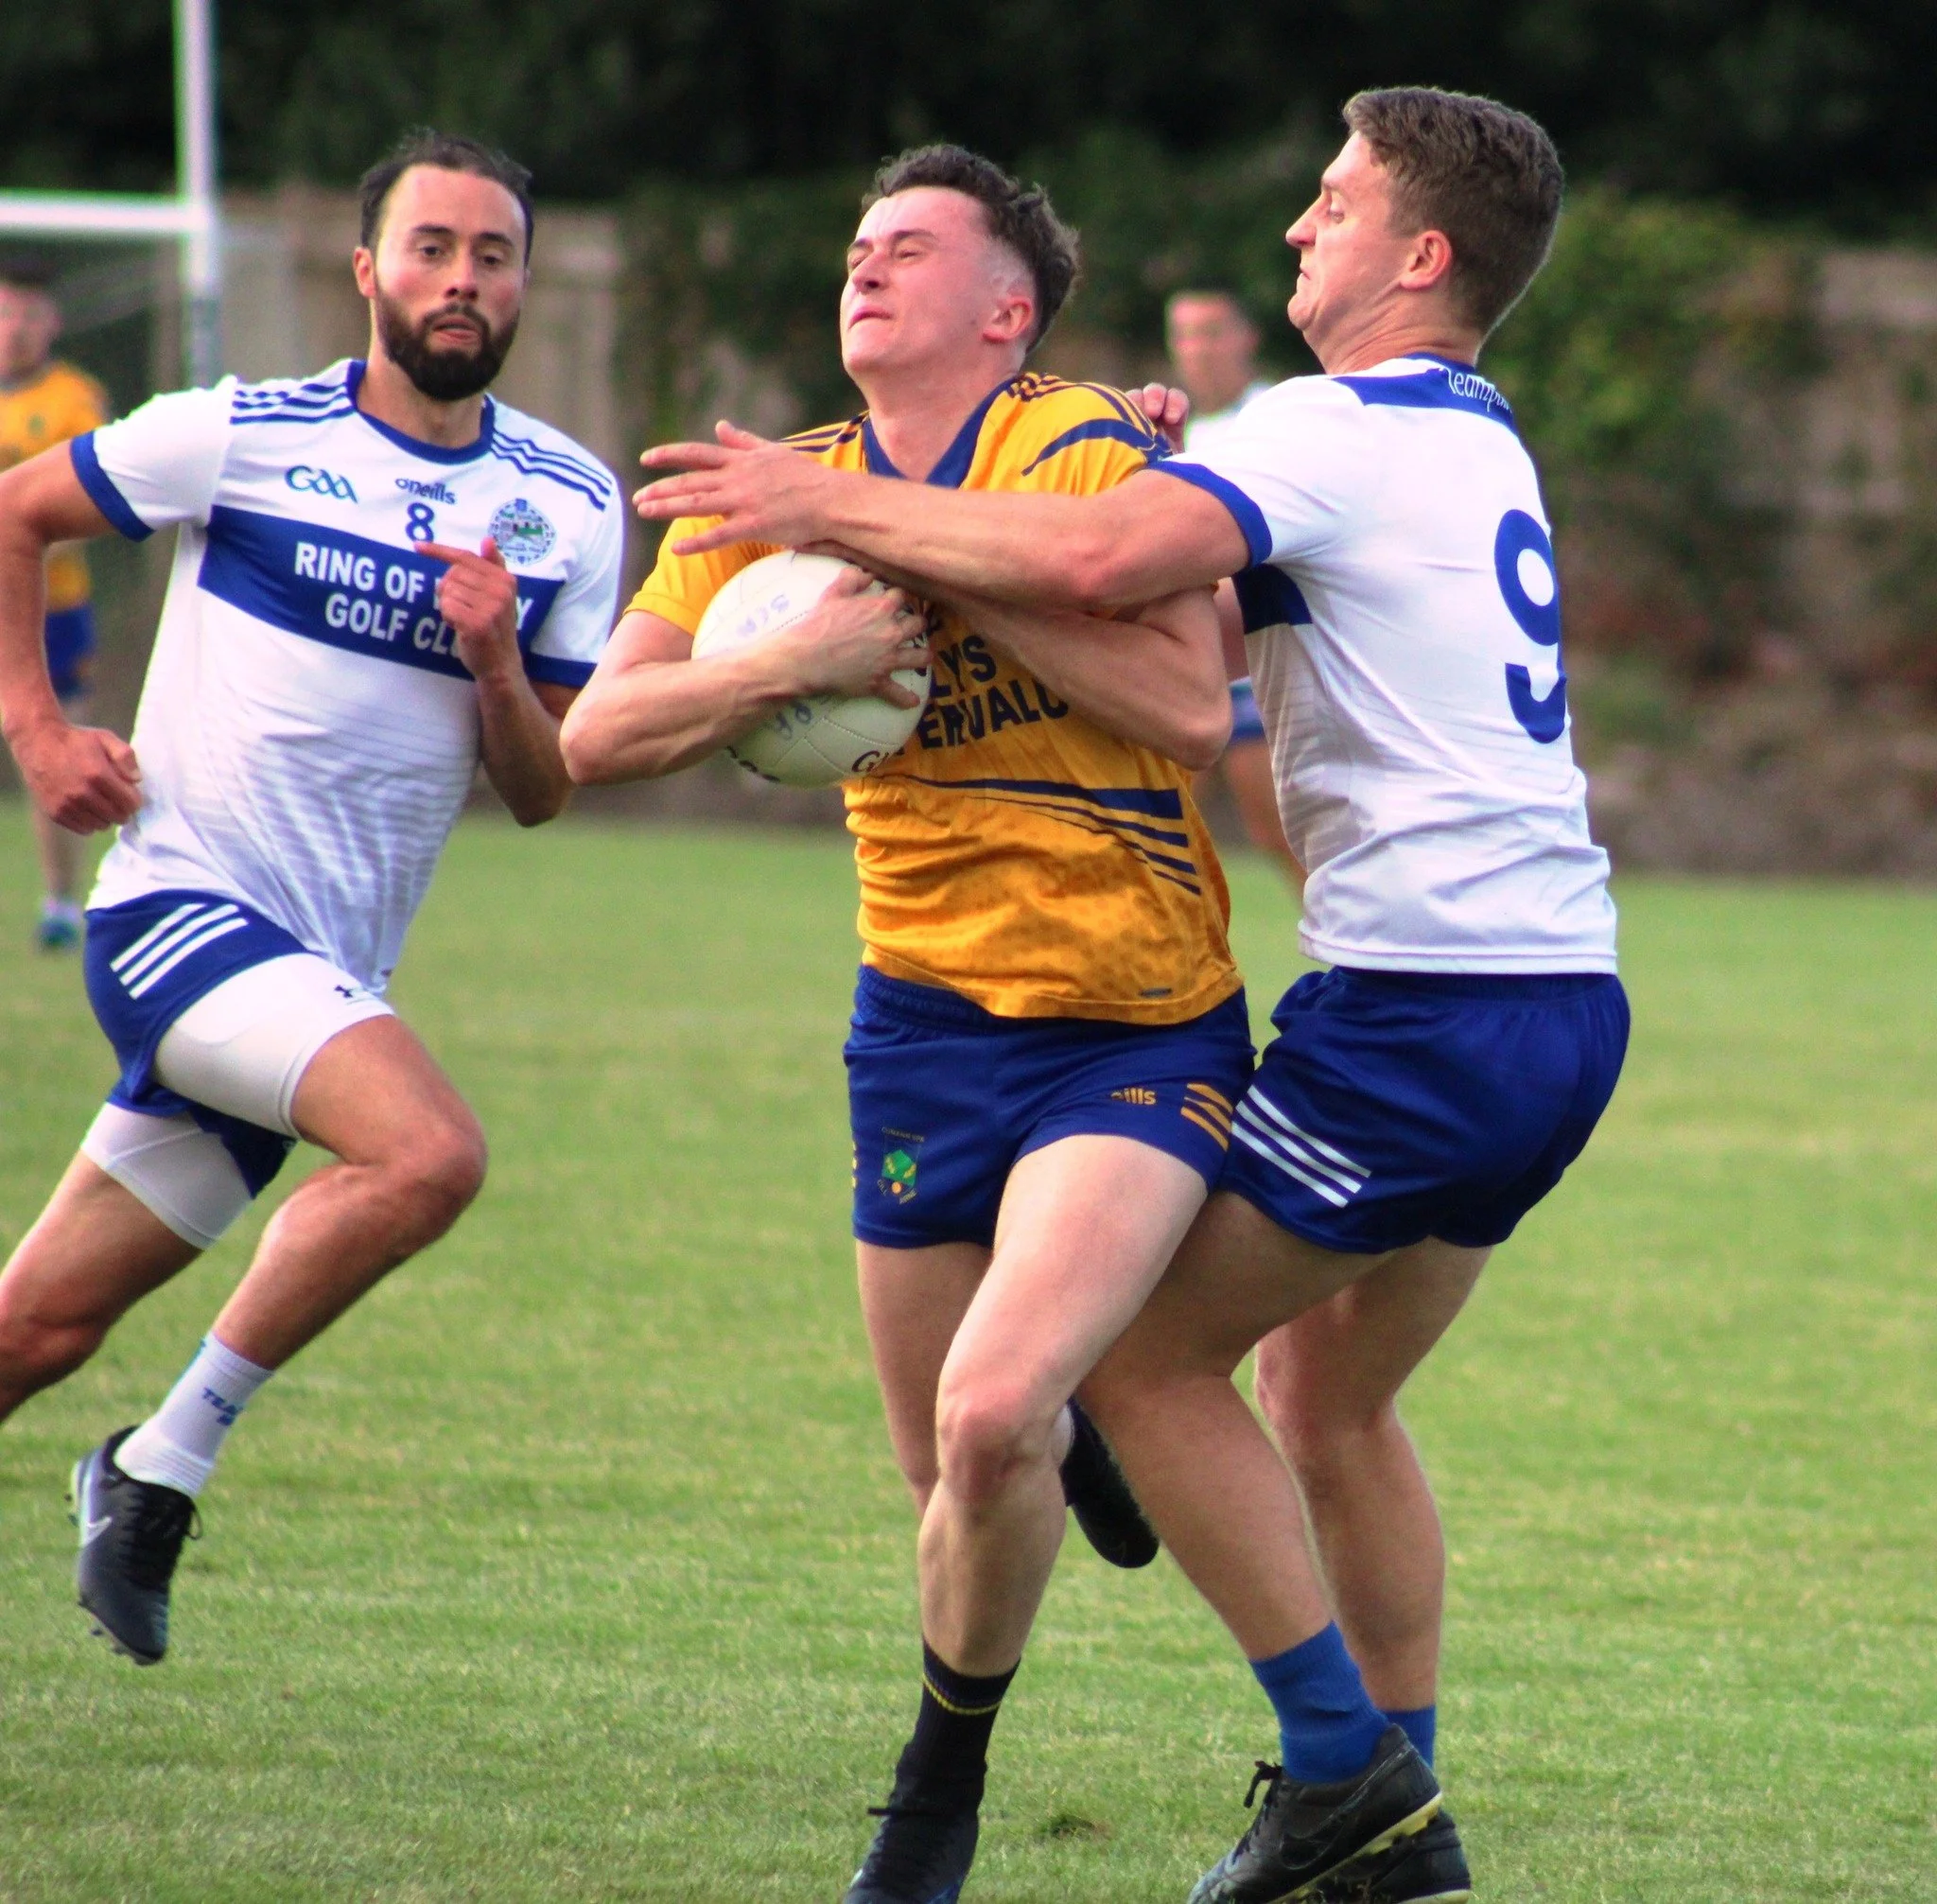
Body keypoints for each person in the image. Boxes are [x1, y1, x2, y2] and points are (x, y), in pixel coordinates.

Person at [632, 86, 1626, 1903]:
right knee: (1325, 1401)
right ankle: (1394, 1811)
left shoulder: (1330, 424)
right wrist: (1130, 479)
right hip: (1562, 998)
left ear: (1420, 255)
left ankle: (1343, 1776)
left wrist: (822, 502)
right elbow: (1170, 595)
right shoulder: (1469, 438)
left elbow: (1098, 564)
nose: (1295, 228)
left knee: (1138, 1358)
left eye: (1332, 204)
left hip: (1420, 1008)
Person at [563, 144, 1254, 1904]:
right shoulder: (771, 484)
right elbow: (589, 741)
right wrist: (777, 668)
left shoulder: (1085, 449)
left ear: (1006, 311)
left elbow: (1192, 708)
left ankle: (930, 1801)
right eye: (859, 242)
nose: (864, 264)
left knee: (988, 1410)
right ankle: (1080, 1444)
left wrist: (905, 554)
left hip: (1134, 1022)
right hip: (923, 1025)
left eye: (912, 247)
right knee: (950, 1469)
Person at [0, 130, 621, 1668]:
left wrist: (495, 661)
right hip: (179, 920)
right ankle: (156, 1469)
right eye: (431, 248)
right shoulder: (242, 431)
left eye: (491, 254)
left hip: (316, 983)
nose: (460, 278)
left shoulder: (570, 502)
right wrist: (39, 734)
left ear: (524, 283)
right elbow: (14, 511)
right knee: (430, 1153)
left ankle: (135, 1455)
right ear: (367, 271)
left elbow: (543, 788)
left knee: (36, 1330)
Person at [1164, 288, 1300, 888]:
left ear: (1248, 338)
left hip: (1255, 660)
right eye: (1186, 335)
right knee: (1160, 826)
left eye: (1212, 332)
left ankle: (1346, 936)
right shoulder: (1177, 431)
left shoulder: (1275, 418)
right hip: (1187, 658)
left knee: (1278, 831)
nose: (1198, 349)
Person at [0, 257, 113, 949]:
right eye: (5, 312)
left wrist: (27, 544)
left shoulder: (76, 400)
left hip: (52, 611)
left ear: (52, 323)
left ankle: (61, 900)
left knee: (53, 748)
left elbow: (89, 506)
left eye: (29, 315)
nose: (15, 328)